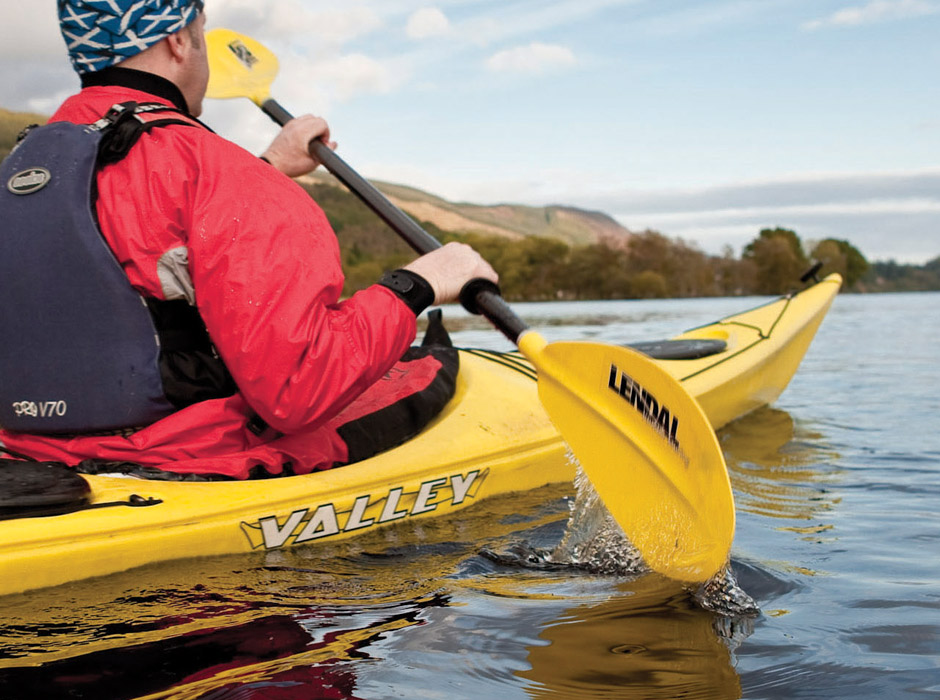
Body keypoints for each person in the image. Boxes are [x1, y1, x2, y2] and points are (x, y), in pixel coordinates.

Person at [0, 0, 497, 479]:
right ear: (178, 39)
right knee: (426, 363)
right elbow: (298, 390)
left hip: (28, 447)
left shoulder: (27, 165)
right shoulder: (222, 174)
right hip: (190, 453)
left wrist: (270, 167)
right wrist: (419, 284)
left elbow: (139, 239)